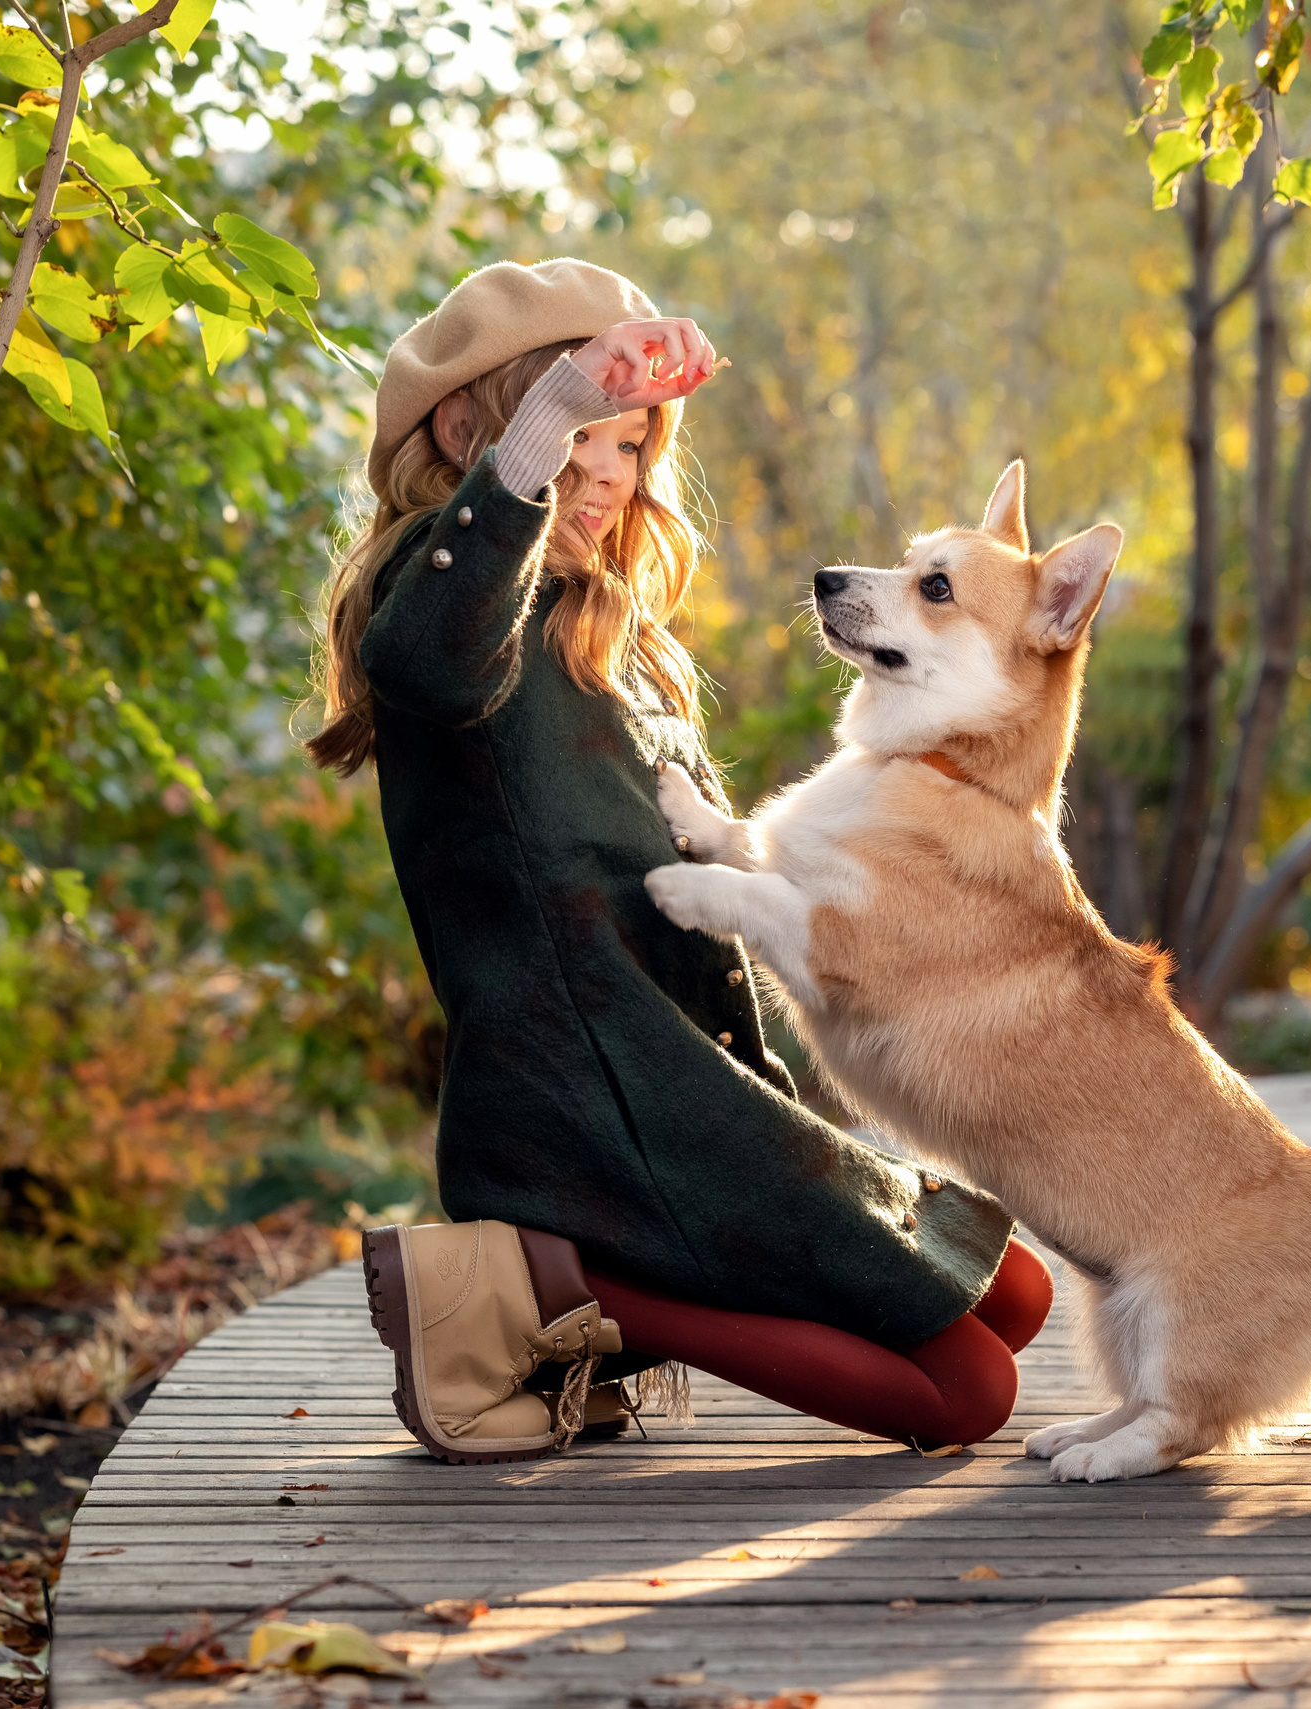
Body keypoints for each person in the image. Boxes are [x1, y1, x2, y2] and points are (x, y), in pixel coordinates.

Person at [305, 259, 1051, 1464]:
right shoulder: (435, 589)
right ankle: (549, 1276)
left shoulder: (608, 619)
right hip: (583, 1088)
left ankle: (601, 1289)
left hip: (693, 1062)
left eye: (631, 444)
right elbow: (436, 665)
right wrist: (549, 421)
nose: (607, 473)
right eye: (578, 436)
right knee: (967, 1392)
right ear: (467, 427)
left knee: (1014, 1293)